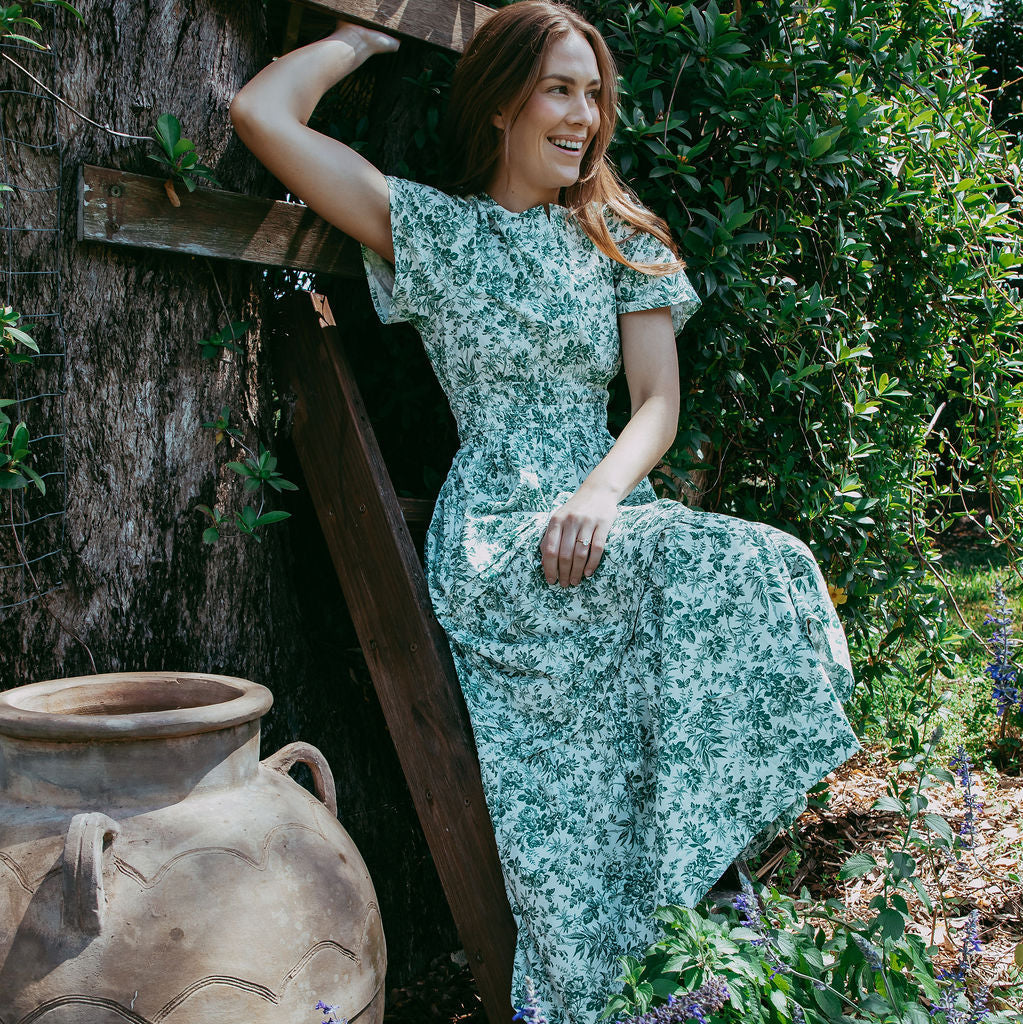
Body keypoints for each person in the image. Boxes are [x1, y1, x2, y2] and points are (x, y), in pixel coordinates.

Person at [229, 3, 861, 1022]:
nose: (584, 114)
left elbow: (655, 402)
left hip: (603, 506)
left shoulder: (618, 233)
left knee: (765, 563)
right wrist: (362, 37)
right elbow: (263, 114)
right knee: (721, 572)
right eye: (560, 89)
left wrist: (602, 492)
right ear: (501, 105)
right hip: (497, 534)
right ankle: (671, 931)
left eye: (595, 93)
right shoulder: (438, 231)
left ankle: (681, 902)